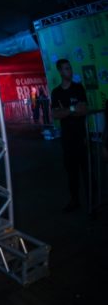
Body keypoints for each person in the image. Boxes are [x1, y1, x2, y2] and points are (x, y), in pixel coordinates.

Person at [50, 59, 88, 212]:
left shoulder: (78, 88)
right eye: (66, 69)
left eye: (70, 68)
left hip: (82, 136)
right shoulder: (56, 92)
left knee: (87, 170)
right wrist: (72, 109)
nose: (70, 71)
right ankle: (75, 200)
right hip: (67, 139)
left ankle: (92, 200)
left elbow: (83, 110)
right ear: (60, 71)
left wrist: (64, 110)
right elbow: (55, 115)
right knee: (71, 172)